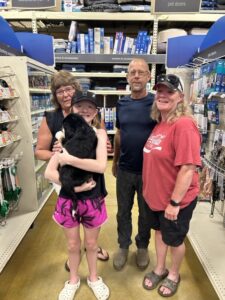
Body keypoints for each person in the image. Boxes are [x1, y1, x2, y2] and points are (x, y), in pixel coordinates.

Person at [35, 70, 109, 264]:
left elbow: (100, 140)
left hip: (91, 177)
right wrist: (60, 156)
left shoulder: (90, 113)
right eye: (60, 91)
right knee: (72, 217)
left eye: (69, 89)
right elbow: (39, 151)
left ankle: (92, 246)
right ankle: (75, 253)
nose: (65, 94)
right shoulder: (51, 118)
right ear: (55, 95)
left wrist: (104, 145)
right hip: (65, 178)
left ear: (76, 91)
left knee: (91, 215)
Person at [44, 91, 110, 300]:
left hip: (93, 199)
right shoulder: (63, 136)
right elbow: (49, 172)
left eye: (90, 106)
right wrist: (73, 187)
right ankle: (73, 280)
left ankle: (93, 278)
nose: (85, 110)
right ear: (72, 108)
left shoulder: (99, 134)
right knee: (72, 245)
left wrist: (69, 159)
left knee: (91, 244)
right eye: (80, 106)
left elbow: (100, 166)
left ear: (96, 111)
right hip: (68, 200)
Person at [142, 74, 201, 297]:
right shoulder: (161, 124)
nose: (163, 95)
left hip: (175, 201)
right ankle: (159, 268)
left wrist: (175, 203)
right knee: (159, 233)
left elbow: (187, 168)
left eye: (169, 91)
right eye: (160, 91)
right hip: (156, 199)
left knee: (174, 240)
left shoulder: (184, 125)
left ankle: (174, 274)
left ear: (180, 97)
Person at [112, 58, 156, 270]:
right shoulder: (121, 103)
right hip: (125, 169)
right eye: (132, 72)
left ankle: (142, 246)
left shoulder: (157, 103)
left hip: (149, 171)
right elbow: (119, 134)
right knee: (123, 211)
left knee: (145, 212)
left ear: (148, 76)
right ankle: (123, 245)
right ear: (127, 77)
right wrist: (115, 162)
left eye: (141, 72)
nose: (136, 76)